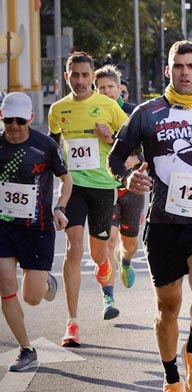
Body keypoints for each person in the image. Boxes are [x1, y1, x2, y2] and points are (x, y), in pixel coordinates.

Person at [107, 40, 192, 392]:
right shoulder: (147, 113)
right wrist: (128, 177)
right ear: (168, 70)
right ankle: (170, 377)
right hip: (164, 222)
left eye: (191, 66)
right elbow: (115, 158)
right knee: (168, 307)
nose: (185, 72)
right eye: (178, 66)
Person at [48, 51, 129, 346]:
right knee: (74, 248)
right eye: (75, 75)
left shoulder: (107, 105)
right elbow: (52, 148)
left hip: (103, 186)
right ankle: (72, 323)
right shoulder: (58, 109)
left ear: (92, 78)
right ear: (66, 76)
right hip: (74, 186)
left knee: (98, 254)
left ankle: (105, 265)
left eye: (85, 75)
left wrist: (111, 136)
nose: (80, 81)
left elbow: (132, 139)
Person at [0, 93, 72, 372]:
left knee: (31, 297)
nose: (14, 126)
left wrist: (60, 207)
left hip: (37, 228)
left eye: (20, 120)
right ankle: (26, 350)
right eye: (9, 120)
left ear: (30, 118)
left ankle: (44, 283)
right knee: (6, 286)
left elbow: (67, 178)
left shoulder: (45, 146)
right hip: (4, 226)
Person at [95, 65, 144, 289]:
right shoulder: (92, 114)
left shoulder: (135, 113)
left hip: (130, 187)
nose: (106, 92)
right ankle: (108, 296)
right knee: (109, 240)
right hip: (104, 187)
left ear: (120, 88)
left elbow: (148, 147)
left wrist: (136, 158)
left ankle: (126, 261)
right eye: (101, 88)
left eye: (110, 87)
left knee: (129, 243)